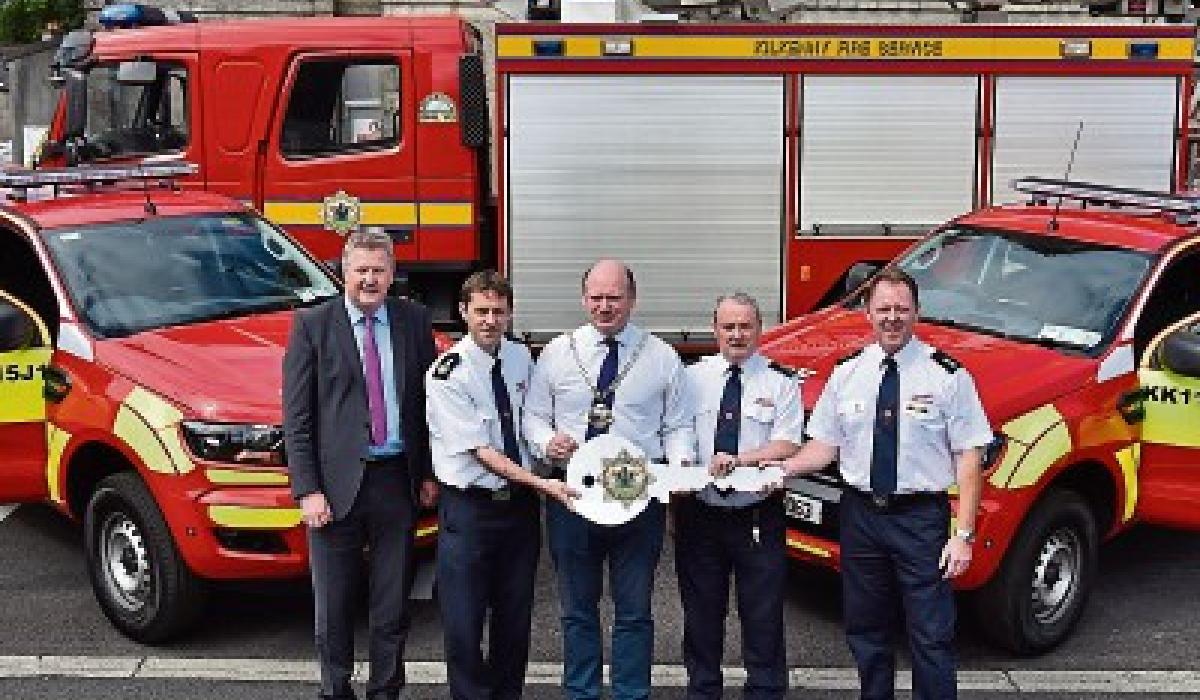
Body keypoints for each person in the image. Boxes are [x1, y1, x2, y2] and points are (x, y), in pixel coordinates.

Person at [777, 268, 992, 700]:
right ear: (868, 314)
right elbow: (824, 446)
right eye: (883, 309)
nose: (892, 318)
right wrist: (778, 472)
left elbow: (969, 456)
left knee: (931, 635)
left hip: (920, 520)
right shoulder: (846, 373)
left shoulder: (947, 376)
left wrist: (963, 535)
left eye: (901, 309)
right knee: (866, 630)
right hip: (860, 518)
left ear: (916, 313)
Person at [523, 259, 695, 700]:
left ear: (632, 300)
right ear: (583, 299)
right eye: (596, 297)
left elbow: (677, 425)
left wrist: (677, 469)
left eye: (614, 297)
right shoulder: (557, 353)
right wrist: (546, 442)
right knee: (577, 611)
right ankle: (581, 693)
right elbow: (534, 416)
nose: (604, 306)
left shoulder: (661, 357)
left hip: (637, 501)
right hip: (572, 498)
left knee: (634, 611)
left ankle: (630, 693)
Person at [283, 229, 438, 700]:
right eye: (361, 271)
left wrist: (428, 472)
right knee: (334, 606)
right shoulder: (313, 325)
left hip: (396, 481)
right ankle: (336, 690)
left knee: (392, 606)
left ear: (392, 273)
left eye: (379, 270)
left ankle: (386, 690)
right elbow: (298, 416)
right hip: (334, 488)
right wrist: (307, 489)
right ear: (343, 273)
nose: (370, 280)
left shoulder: (414, 321)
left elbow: (428, 406)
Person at [425, 270, 578, 700]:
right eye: (481, 311)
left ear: (510, 314)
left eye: (498, 311)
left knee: (515, 618)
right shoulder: (447, 373)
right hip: (471, 510)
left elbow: (528, 420)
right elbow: (481, 452)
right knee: (465, 622)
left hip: (519, 511)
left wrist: (551, 444)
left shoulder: (519, 358)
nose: (490, 320)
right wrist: (542, 484)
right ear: (463, 313)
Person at [677, 292, 804, 700]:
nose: (737, 334)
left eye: (745, 326)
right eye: (728, 327)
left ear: (759, 329)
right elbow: (678, 433)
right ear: (714, 330)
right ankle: (703, 690)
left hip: (756, 515)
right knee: (701, 617)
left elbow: (786, 444)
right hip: (700, 513)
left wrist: (740, 459)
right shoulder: (691, 378)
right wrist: (683, 465)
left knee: (763, 617)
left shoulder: (781, 382)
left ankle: (765, 692)